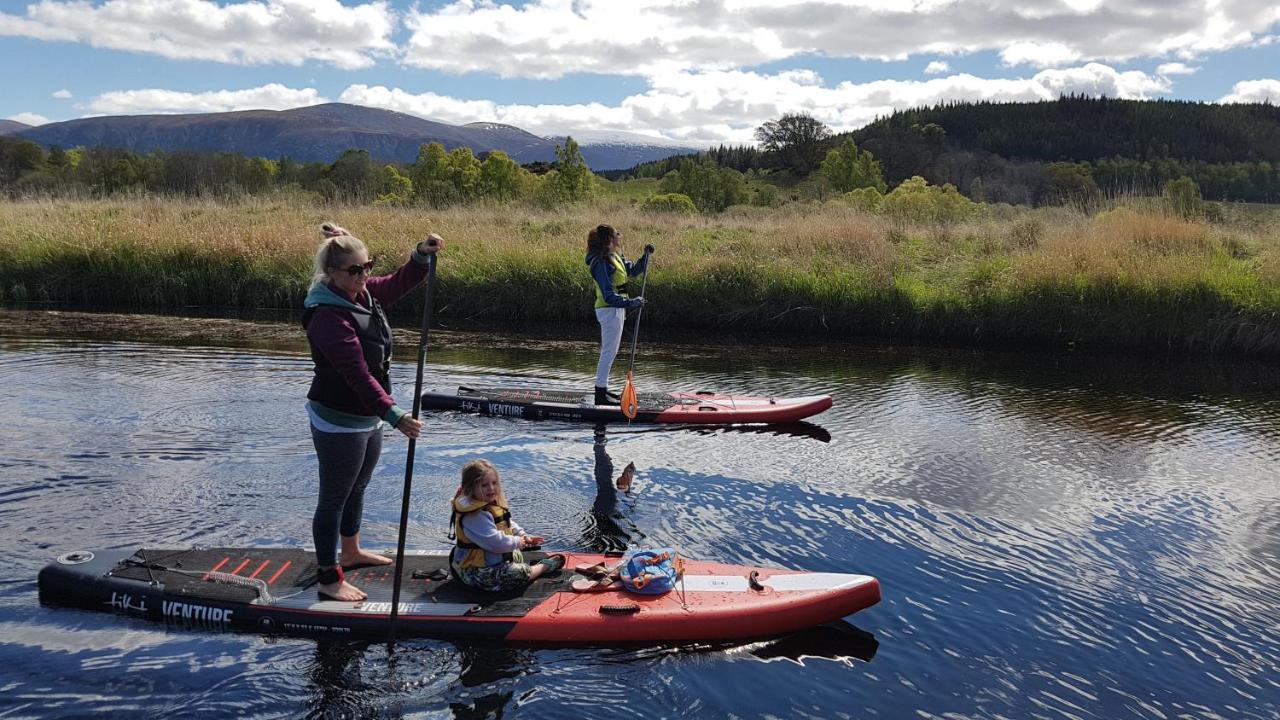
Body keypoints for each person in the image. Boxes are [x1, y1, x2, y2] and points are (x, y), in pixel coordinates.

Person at [303, 222, 443, 602]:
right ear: (331, 274)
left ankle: (350, 551)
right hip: (337, 417)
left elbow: (396, 283)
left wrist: (419, 257)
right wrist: (394, 415)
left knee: (358, 487)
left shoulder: (362, 293)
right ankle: (328, 578)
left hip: (366, 416)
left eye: (368, 266)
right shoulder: (327, 317)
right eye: (355, 270)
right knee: (334, 498)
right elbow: (357, 375)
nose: (365, 275)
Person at [449, 459, 566, 592]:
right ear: (471, 488)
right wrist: (518, 542)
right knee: (517, 573)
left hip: (495, 559)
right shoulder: (474, 516)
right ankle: (543, 567)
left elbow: (505, 523)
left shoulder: (487, 504)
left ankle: (521, 565)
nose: (491, 488)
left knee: (515, 552)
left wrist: (522, 535)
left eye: (494, 483)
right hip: (477, 572)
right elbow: (496, 543)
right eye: (484, 485)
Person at [585, 224, 654, 406]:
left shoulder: (615, 256)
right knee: (608, 352)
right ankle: (600, 394)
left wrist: (645, 257)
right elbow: (608, 295)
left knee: (611, 351)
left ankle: (604, 390)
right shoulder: (600, 262)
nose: (619, 238)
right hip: (608, 310)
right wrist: (632, 302)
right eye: (617, 235)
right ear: (609, 240)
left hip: (616, 310)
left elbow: (633, 270)